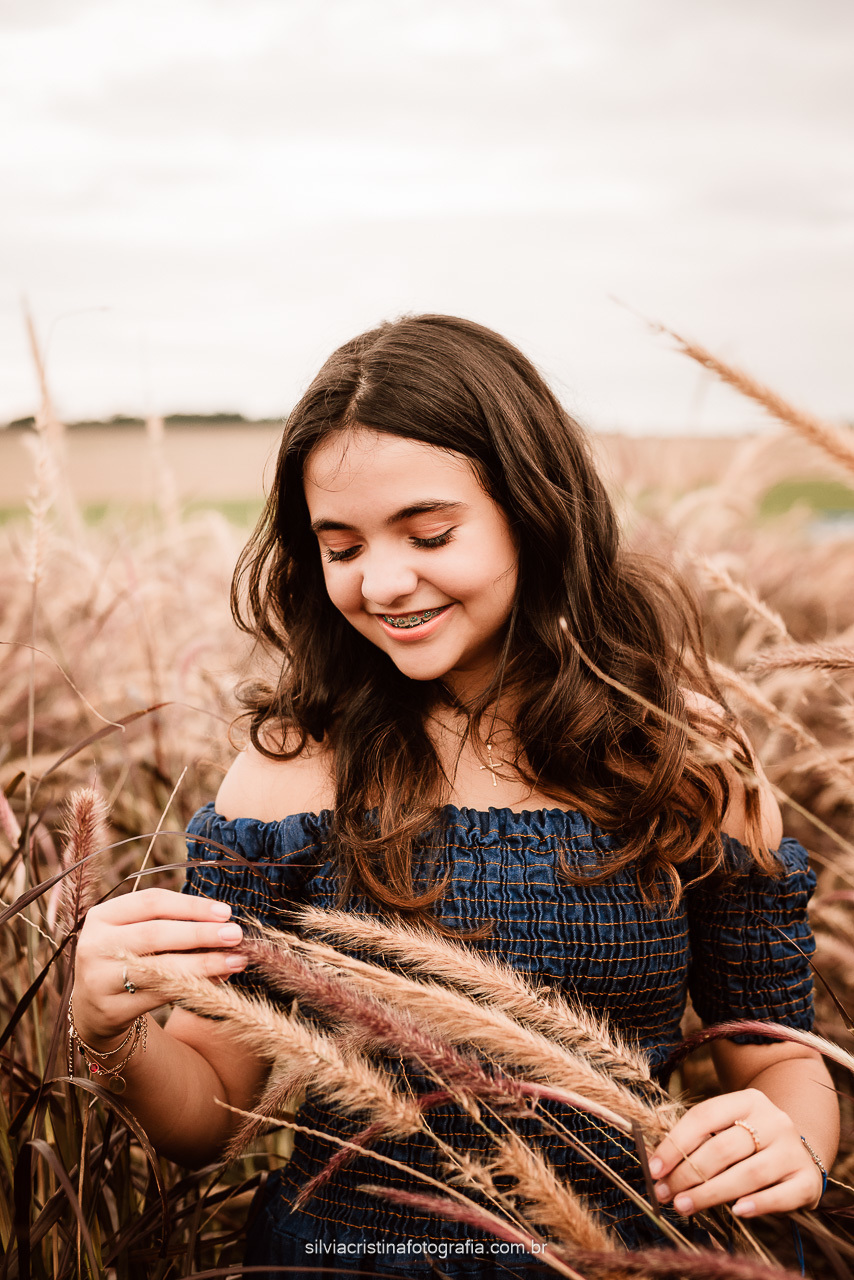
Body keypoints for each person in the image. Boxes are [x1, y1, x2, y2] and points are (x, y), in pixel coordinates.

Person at [71, 315, 838, 1277]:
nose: (384, 581)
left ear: (533, 508)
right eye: (340, 547)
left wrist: (790, 1143)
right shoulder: (294, 773)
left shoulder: (682, 753)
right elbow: (205, 1115)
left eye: (429, 533)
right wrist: (111, 1035)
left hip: (636, 1259)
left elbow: (778, 1060)